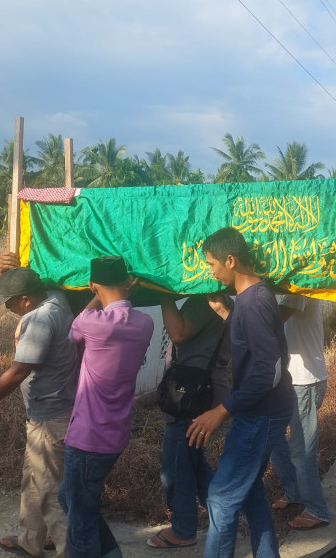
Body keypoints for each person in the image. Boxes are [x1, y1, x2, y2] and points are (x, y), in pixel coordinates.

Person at [0, 267, 79, 558]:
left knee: (50, 492)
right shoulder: (57, 299)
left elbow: (18, 371)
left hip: (50, 417)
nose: (6, 308)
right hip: (49, 413)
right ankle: (30, 541)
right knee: (34, 481)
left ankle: (69, 550)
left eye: (9, 302)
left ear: (25, 299)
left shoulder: (39, 319)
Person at [186, 227, 294, 558]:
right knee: (247, 492)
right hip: (260, 410)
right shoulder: (248, 301)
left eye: (211, 263)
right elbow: (252, 341)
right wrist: (226, 314)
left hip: (261, 414)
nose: (209, 270)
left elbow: (268, 369)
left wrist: (222, 410)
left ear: (230, 260)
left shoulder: (255, 302)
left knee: (221, 496)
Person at [58, 256, 154, 558]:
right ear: (128, 282)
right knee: (72, 499)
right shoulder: (145, 323)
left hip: (87, 437)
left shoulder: (91, 322)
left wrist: (94, 296)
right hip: (115, 434)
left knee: (79, 520)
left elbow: (72, 333)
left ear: (93, 285)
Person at [147, 292, 231, 549]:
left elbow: (179, 333)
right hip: (200, 391)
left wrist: (162, 294)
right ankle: (223, 517)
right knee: (194, 462)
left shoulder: (204, 302)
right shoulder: (223, 302)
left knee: (176, 467)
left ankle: (183, 530)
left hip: (190, 396)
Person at [270, 295, 330, 530]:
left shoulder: (301, 288)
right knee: (274, 438)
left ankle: (317, 509)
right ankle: (294, 491)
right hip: (287, 378)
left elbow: (272, 321)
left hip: (305, 381)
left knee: (302, 449)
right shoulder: (285, 288)